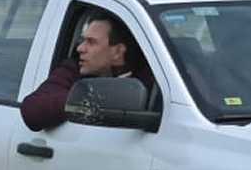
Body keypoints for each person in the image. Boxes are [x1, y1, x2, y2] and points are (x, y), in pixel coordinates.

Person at [20, 11, 152, 131]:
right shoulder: (74, 69)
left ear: (117, 52)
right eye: (83, 40)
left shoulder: (157, 83)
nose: (80, 48)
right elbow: (32, 110)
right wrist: (85, 98)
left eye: (91, 42)